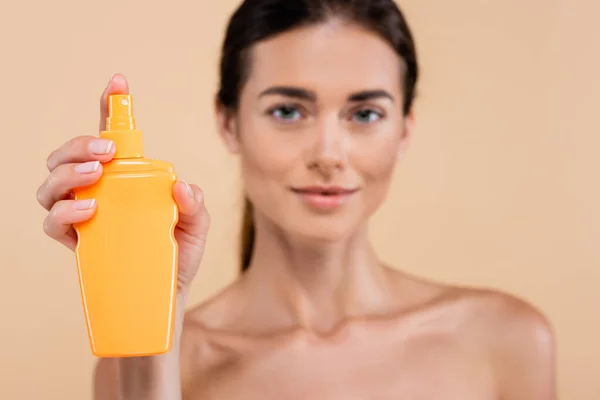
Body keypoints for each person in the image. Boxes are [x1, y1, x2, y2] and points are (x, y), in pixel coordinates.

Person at [37, 0, 556, 398]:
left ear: (405, 129)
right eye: (288, 111)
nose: (329, 154)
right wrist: (151, 313)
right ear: (228, 122)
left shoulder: (506, 340)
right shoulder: (146, 364)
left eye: (365, 114)